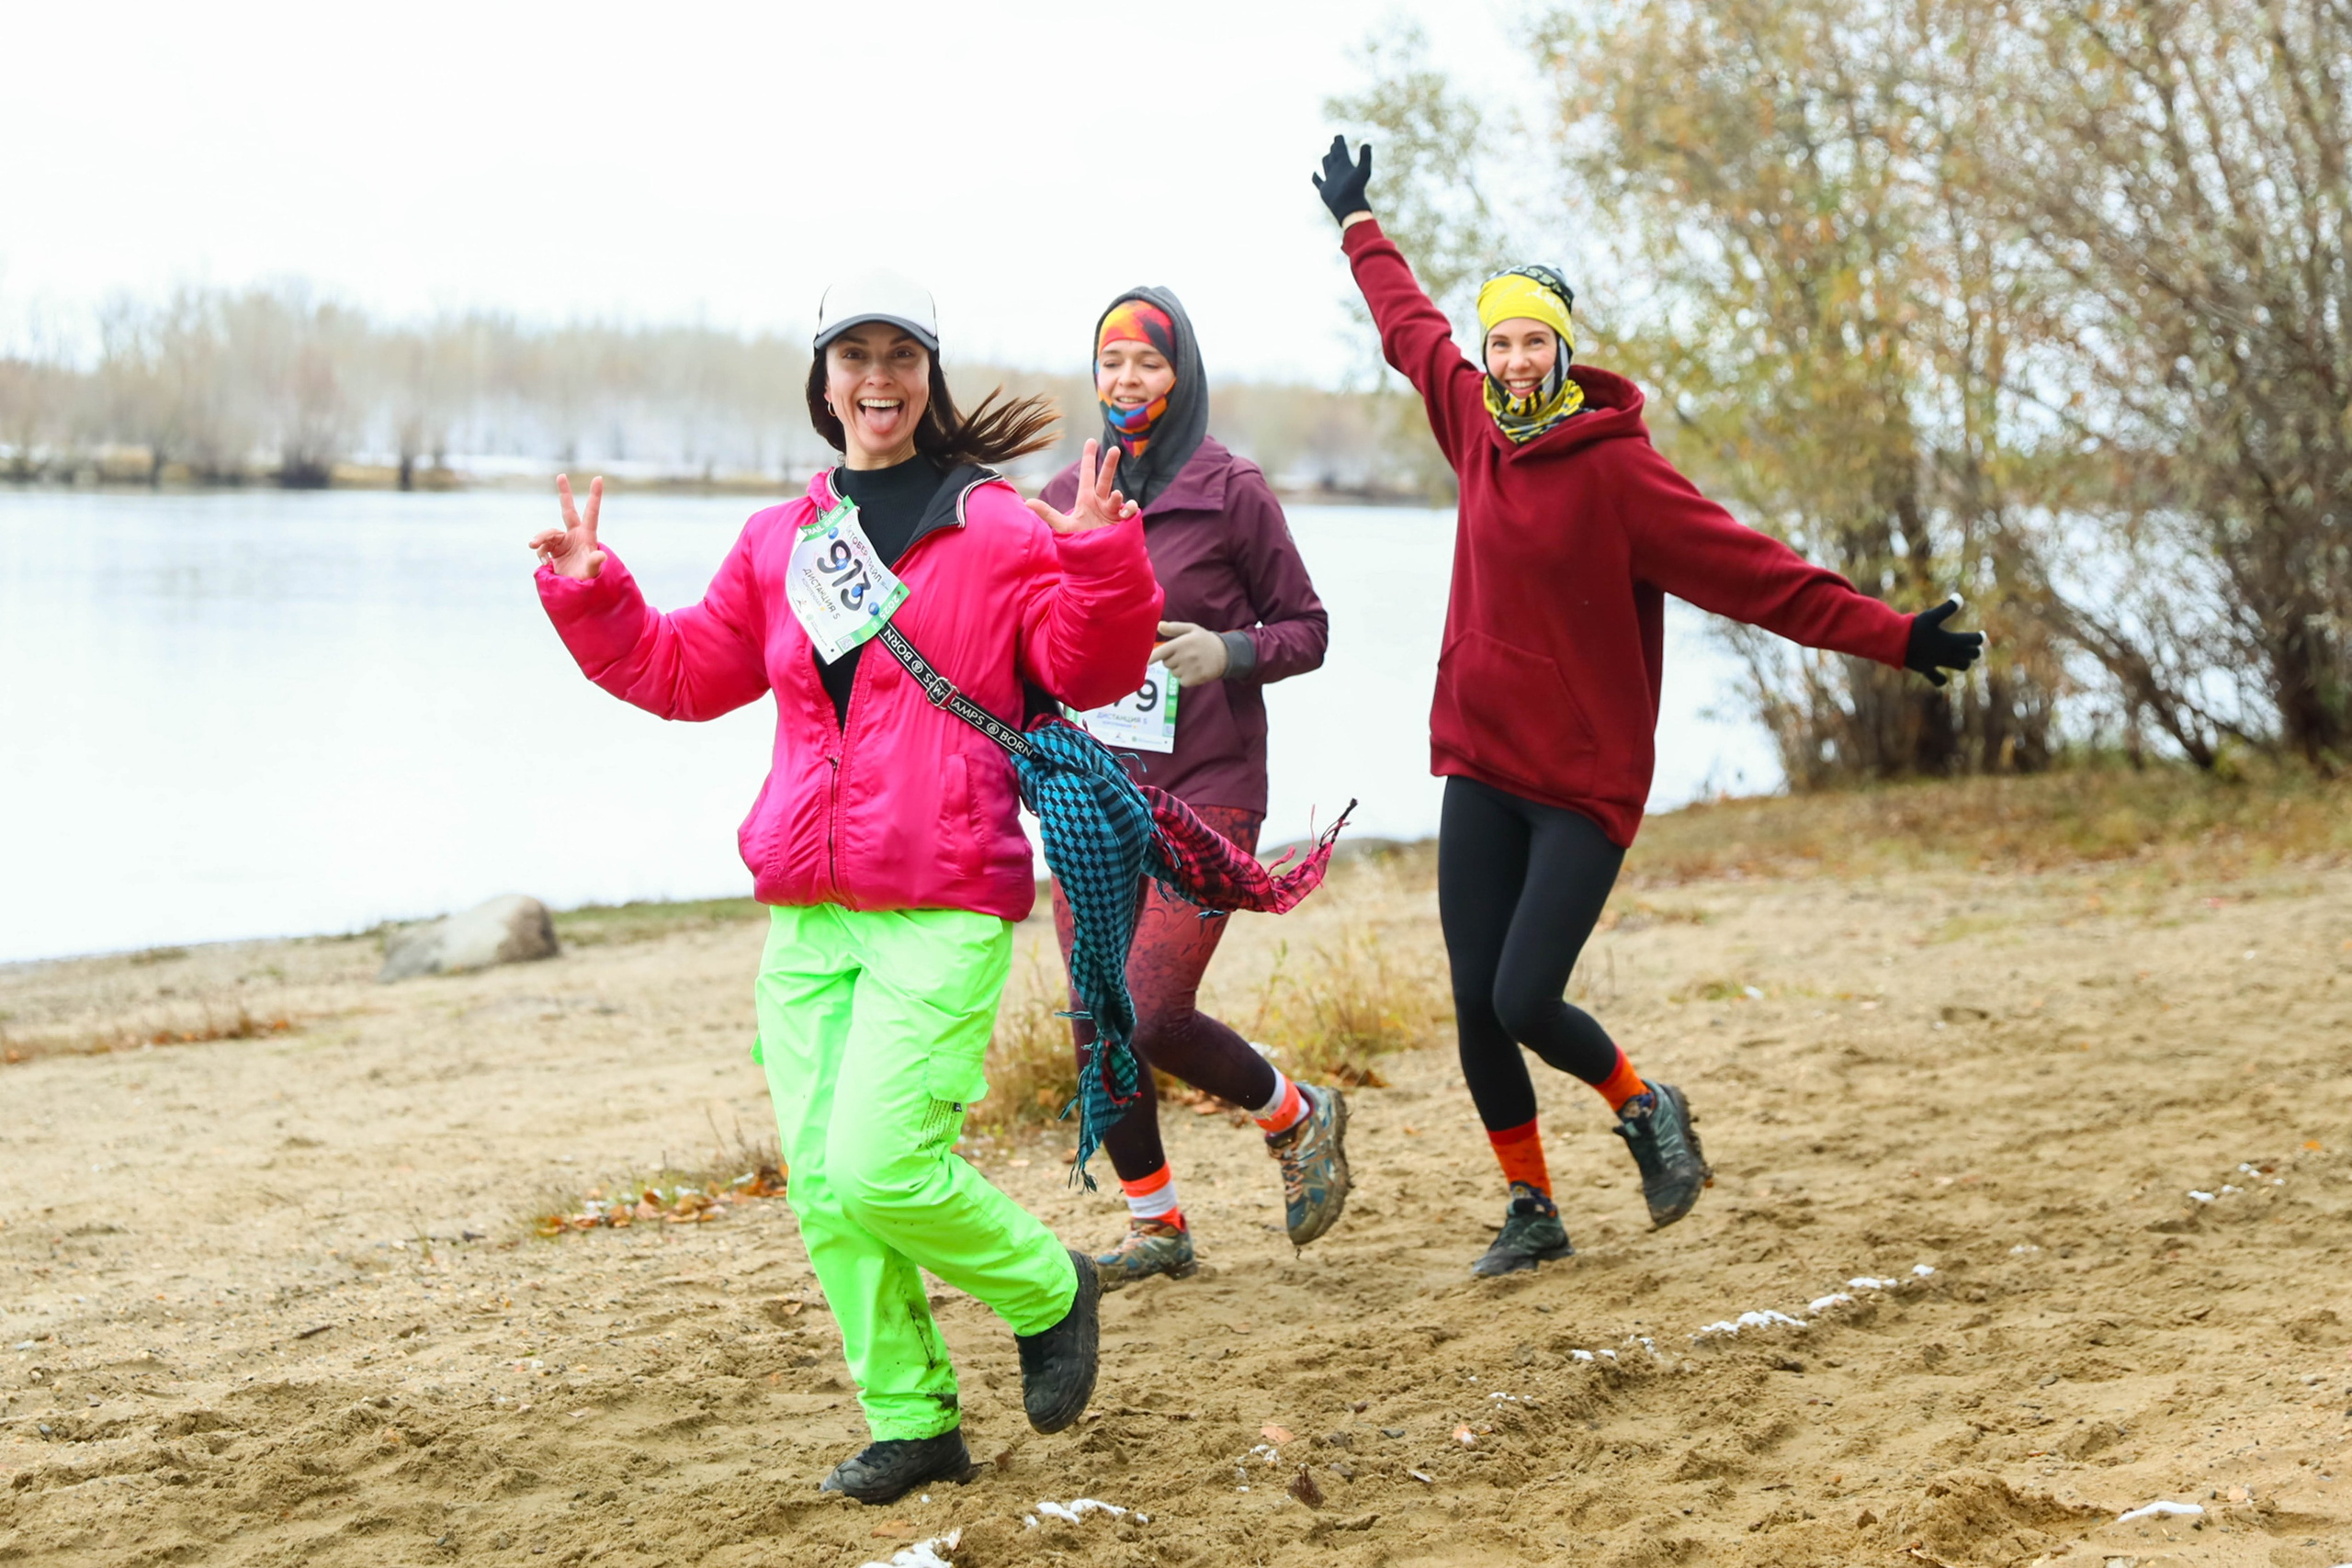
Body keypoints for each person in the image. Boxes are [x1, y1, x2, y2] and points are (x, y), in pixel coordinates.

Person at [528, 269, 1164, 1504]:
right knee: (825, 1187)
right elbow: (678, 670)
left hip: (942, 899)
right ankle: (914, 1416)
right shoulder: (781, 538)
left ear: (929, 375)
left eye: (901, 354)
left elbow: (1086, 664)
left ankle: (1049, 1284)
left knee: (881, 1163)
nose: (878, 377)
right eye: (852, 356)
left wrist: (1099, 556)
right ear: (823, 383)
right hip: (809, 912)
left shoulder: (995, 526)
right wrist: (591, 585)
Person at [1308, 138, 1985, 1277]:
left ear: (1564, 351)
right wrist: (1358, 223)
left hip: (1580, 781)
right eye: (1502, 341)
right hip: (1479, 758)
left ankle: (1643, 1103)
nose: (1514, 359)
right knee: (1475, 1006)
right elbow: (1405, 327)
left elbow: (1758, 574)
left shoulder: (1619, 473)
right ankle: (1532, 1208)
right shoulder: (1471, 421)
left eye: (1534, 341)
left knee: (1527, 996)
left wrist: (1897, 636)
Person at [1038, 288, 1342, 1289]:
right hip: (1093, 792)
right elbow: (1032, 637)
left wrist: (1231, 651)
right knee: (1096, 1016)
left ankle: (1295, 1115)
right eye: (1110, 362)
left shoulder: (1230, 487)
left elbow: (1307, 626)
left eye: (1148, 364)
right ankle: (1156, 1222)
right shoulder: (1067, 489)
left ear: (1184, 374)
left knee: (1154, 1007)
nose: (1126, 382)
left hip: (1206, 789)